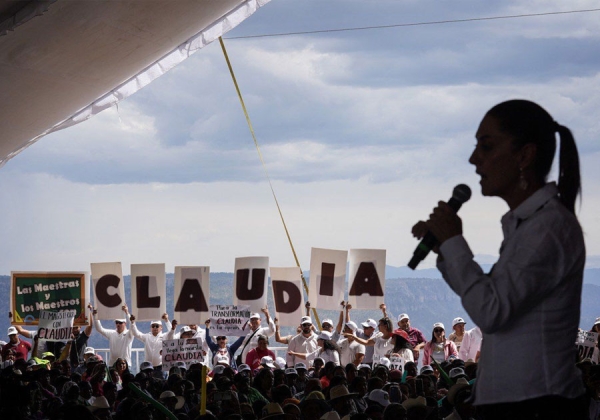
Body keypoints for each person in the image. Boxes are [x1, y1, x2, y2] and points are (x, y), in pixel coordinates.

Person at [412, 99, 586, 417]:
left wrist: (453, 242)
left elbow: (491, 312)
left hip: (537, 406)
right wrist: (446, 249)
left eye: (487, 147)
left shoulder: (548, 228)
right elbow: (489, 298)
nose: (474, 159)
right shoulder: (529, 225)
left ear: (525, 155)